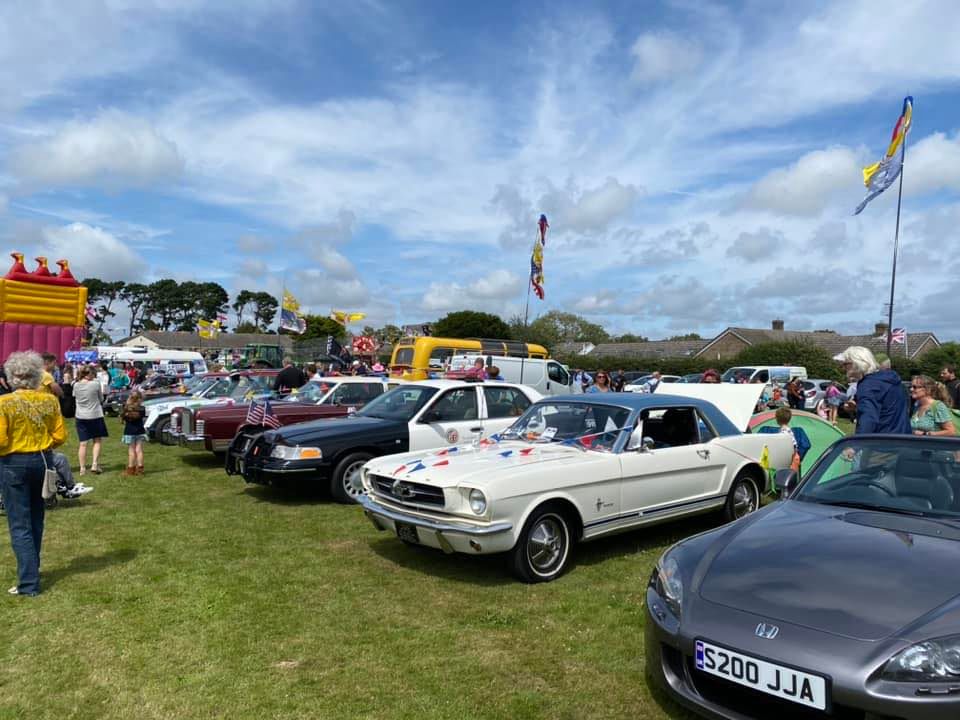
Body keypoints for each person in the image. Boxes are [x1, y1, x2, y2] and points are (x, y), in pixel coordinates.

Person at [0, 351, 66, 596]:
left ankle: (28, 583)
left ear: (11, 377)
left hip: (13, 462)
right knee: (36, 518)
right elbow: (60, 436)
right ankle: (32, 569)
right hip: (43, 460)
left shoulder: (4, 403)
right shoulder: (49, 401)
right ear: (38, 375)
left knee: (19, 524)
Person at [834, 347, 910, 434]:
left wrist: (856, 444)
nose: (843, 368)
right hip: (904, 438)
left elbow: (868, 419)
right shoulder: (891, 380)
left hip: (883, 441)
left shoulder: (868, 385)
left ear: (856, 363)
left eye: (845, 364)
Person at [74, 365, 108, 474]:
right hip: (95, 415)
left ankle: (82, 468)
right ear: (91, 374)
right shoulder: (95, 383)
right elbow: (101, 398)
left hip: (81, 416)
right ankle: (94, 464)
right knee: (97, 440)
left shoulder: (76, 385)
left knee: (83, 443)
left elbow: (75, 396)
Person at [120, 391, 147, 475]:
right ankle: (140, 468)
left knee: (131, 451)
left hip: (129, 431)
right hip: (140, 431)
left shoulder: (126, 407)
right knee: (139, 450)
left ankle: (131, 469)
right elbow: (140, 416)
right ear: (140, 398)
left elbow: (122, 418)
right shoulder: (142, 408)